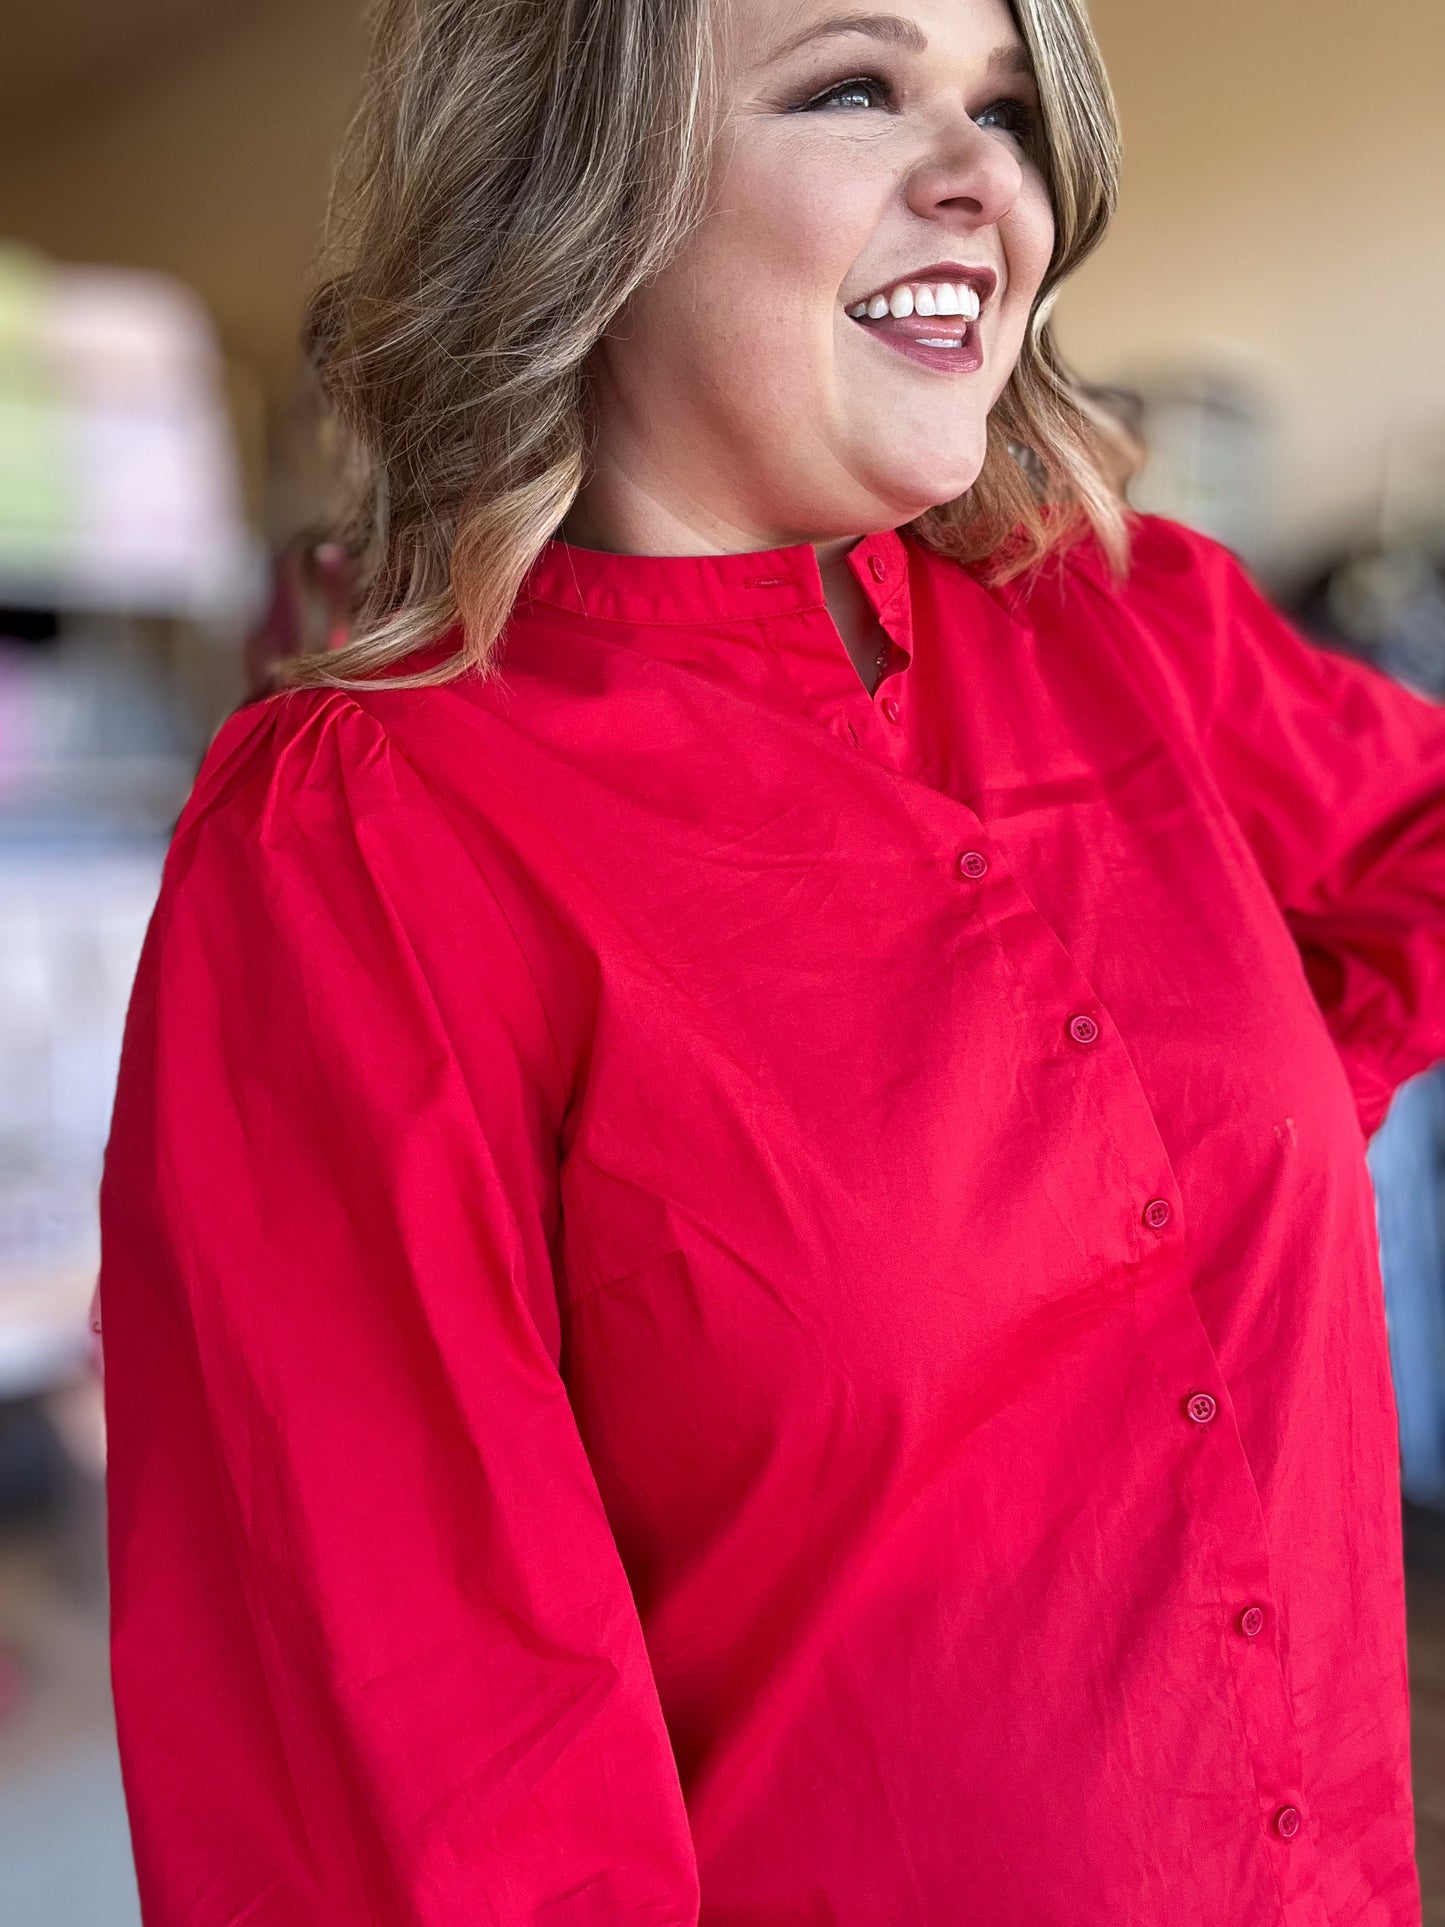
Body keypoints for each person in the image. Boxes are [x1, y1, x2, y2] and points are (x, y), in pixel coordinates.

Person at [98, 0, 1445, 1920]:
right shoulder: (372, 845)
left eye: (1000, 111)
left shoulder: (1121, 623)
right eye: (851, 89)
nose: (987, 182)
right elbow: (423, 1784)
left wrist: (1243, 1103)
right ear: (587, 195)